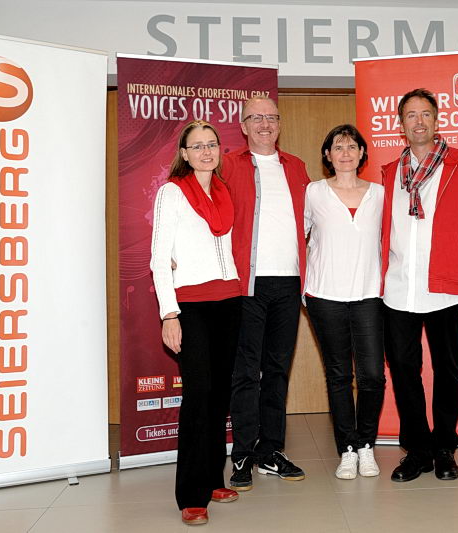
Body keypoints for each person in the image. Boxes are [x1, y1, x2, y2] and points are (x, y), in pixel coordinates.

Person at [380, 88, 458, 482]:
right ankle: (418, 451)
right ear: (401, 123)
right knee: (403, 371)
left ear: (437, 119)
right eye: (411, 115)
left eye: (426, 114)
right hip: (397, 289)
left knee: (447, 370)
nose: (419, 122)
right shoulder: (390, 172)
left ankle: (444, 447)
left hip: (446, 288)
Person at [150, 120, 242, 525]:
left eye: (212, 144)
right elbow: (159, 258)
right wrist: (169, 314)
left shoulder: (224, 190)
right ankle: (191, 493)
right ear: (185, 154)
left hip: (229, 301)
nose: (207, 151)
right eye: (198, 146)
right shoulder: (172, 192)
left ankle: (212, 478)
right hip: (191, 305)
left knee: (220, 394)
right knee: (199, 394)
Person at [222, 96, 310, 491]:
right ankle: (242, 453)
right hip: (247, 285)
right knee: (245, 372)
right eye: (255, 118)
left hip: (288, 283)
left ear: (279, 124)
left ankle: (270, 450)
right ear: (243, 126)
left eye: (271, 117)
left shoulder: (297, 167)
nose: (264, 124)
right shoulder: (228, 165)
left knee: (277, 370)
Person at [304, 124, 385, 480]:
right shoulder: (313, 192)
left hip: (369, 296)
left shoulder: (380, 194)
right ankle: (348, 450)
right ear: (327, 155)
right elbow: (297, 238)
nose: (346, 153)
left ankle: (366, 444)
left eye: (352, 146)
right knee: (338, 376)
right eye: (338, 147)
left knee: (372, 376)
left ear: (362, 153)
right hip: (325, 296)